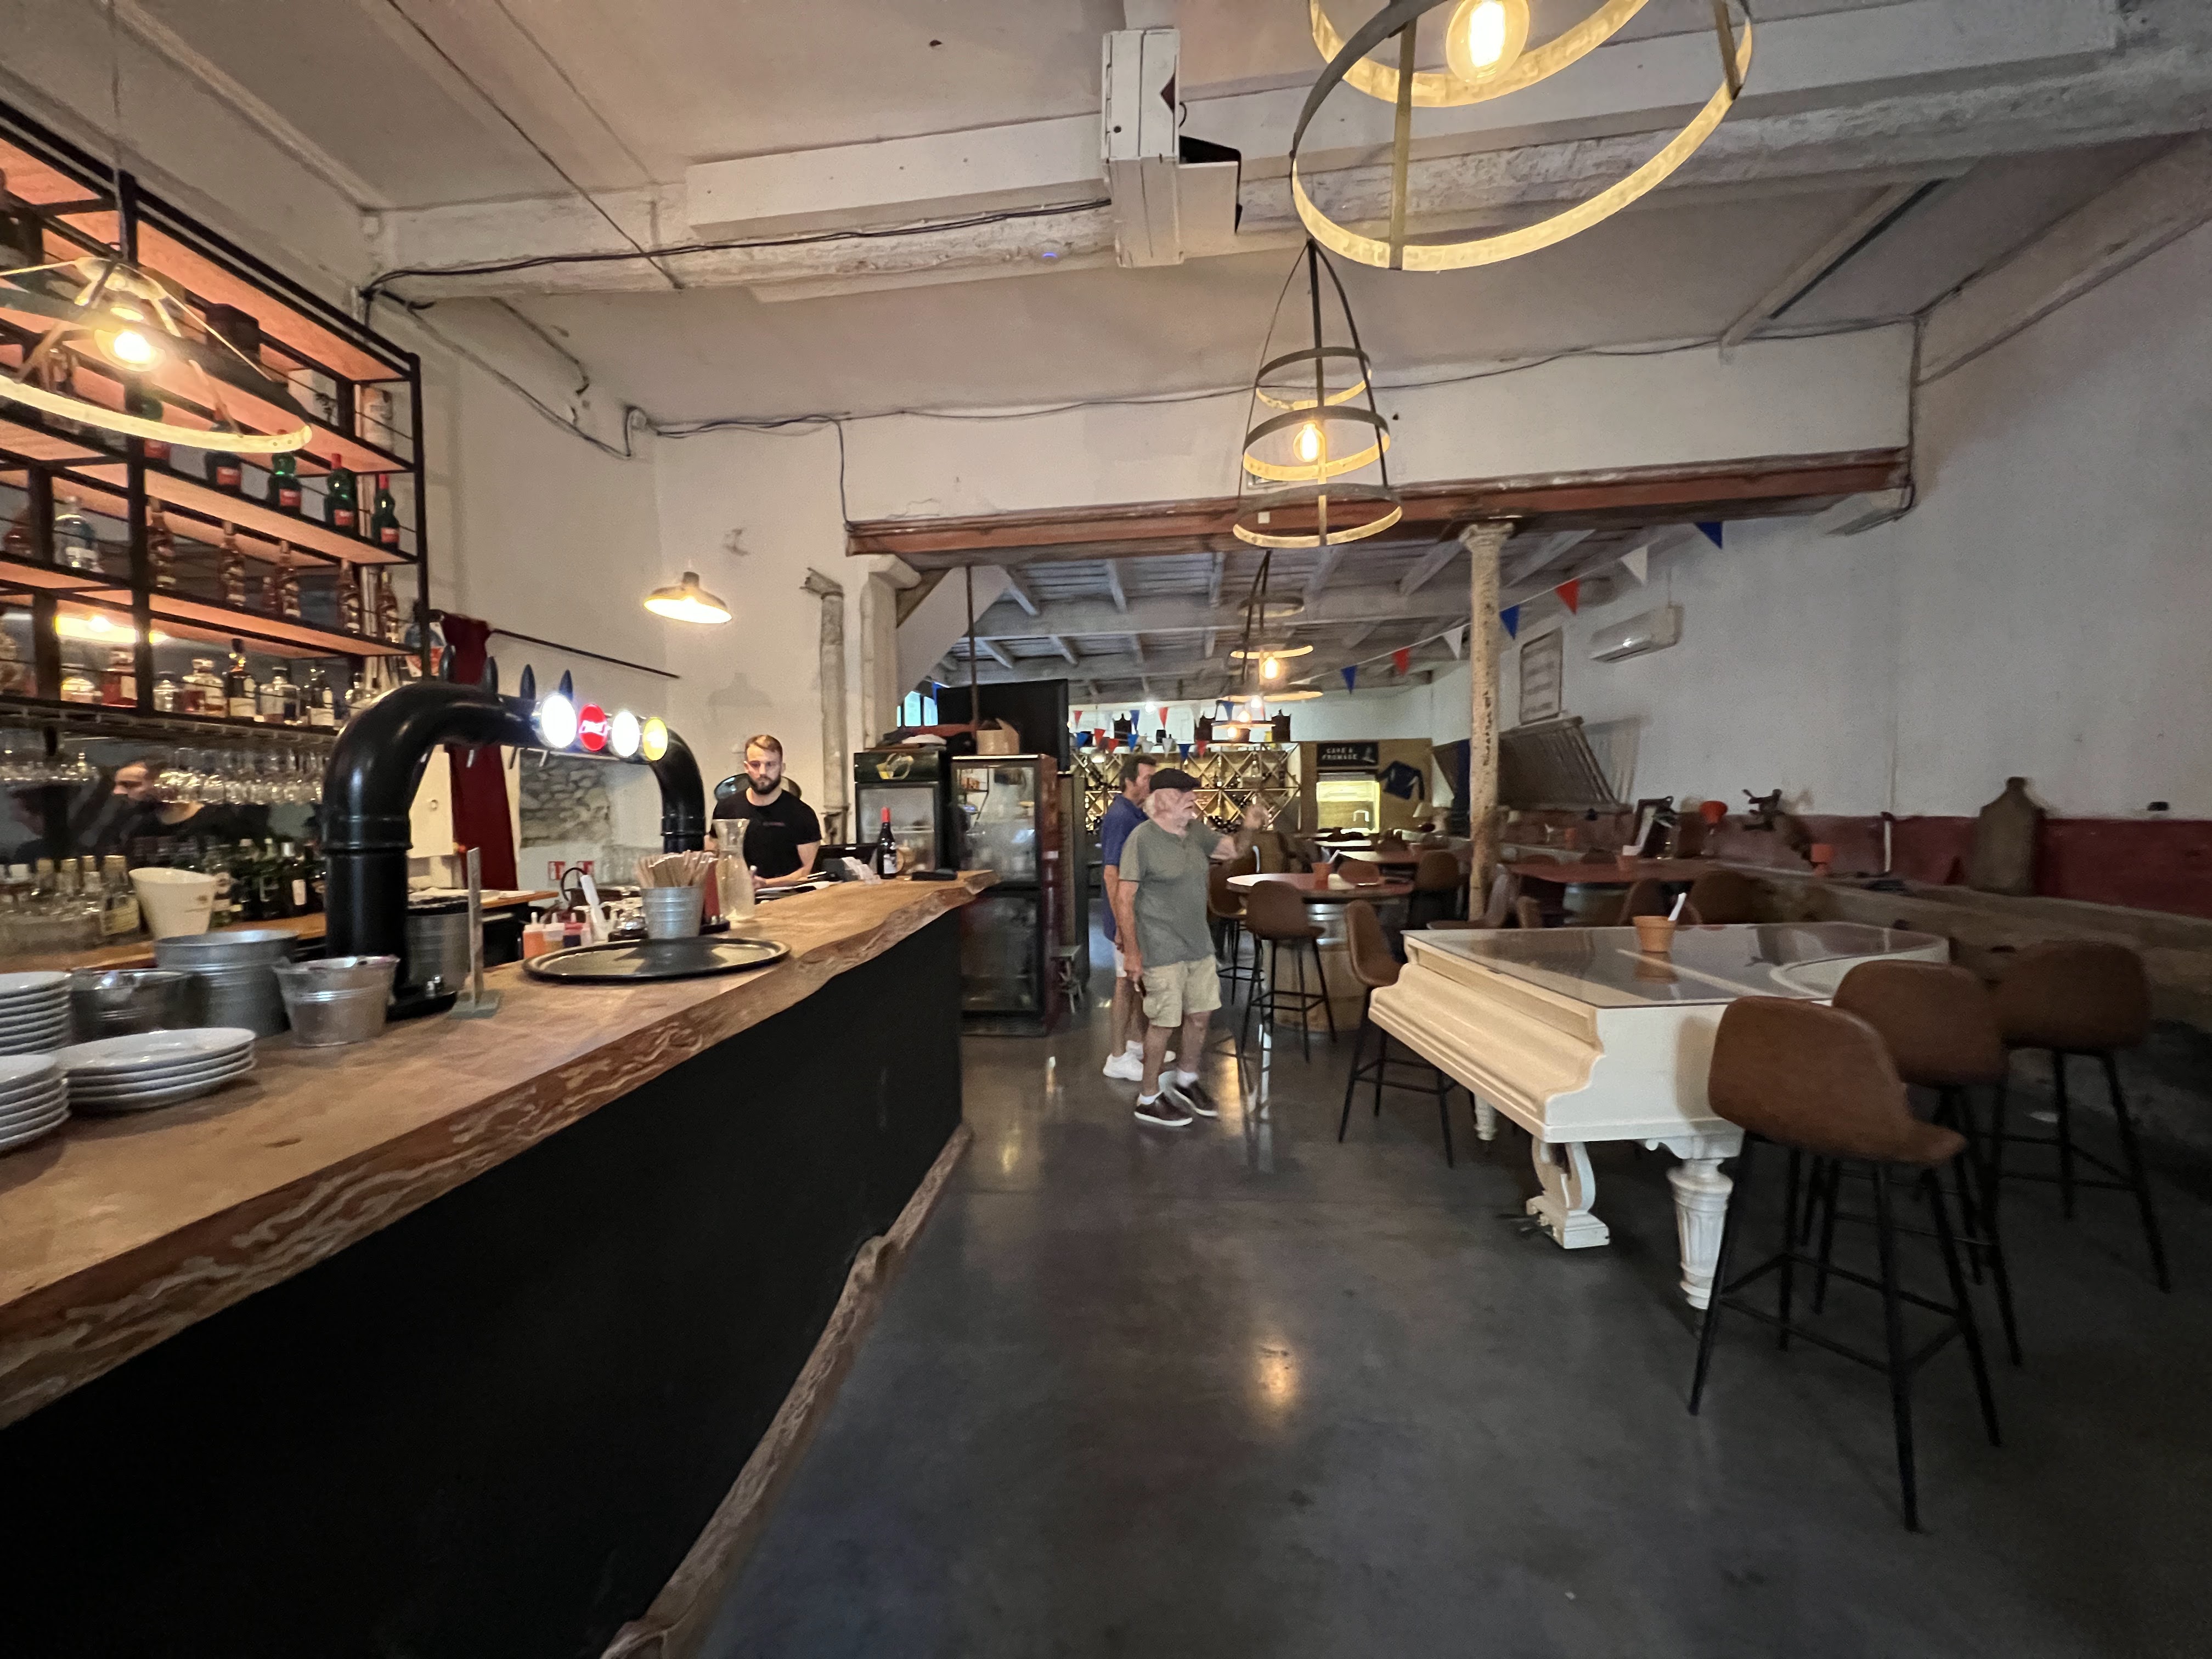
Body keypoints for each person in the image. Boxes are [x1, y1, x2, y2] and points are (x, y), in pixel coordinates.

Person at [1110, 769, 1269, 1128]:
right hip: (1160, 946)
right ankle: (1148, 1097)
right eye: (1184, 793)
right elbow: (1125, 897)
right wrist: (1133, 953)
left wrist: (1249, 826)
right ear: (1162, 799)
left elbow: (1234, 850)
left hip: (1198, 943)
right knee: (1163, 1022)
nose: (1193, 798)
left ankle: (1186, 1079)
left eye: (1193, 792)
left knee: (1201, 1014)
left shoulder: (1196, 832)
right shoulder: (1142, 839)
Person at [1098, 753, 1158, 1081]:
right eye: (1147, 778)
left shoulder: (1136, 813)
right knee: (1124, 983)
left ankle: (1134, 1042)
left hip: (1136, 913)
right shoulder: (1120, 816)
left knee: (1135, 981)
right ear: (1129, 781)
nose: (1152, 784)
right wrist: (1121, 924)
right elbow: (1111, 874)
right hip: (1125, 916)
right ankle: (1117, 1056)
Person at [713, 733, 822, 885]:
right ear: (746, 767)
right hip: (737, 896)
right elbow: (714, 861)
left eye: (770, 764)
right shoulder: (726, 809)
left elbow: (810, 872)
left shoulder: (802, 814)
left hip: (789, 897)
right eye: (755, 765)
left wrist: (766, 884)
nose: (763, 772)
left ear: (782, 768)